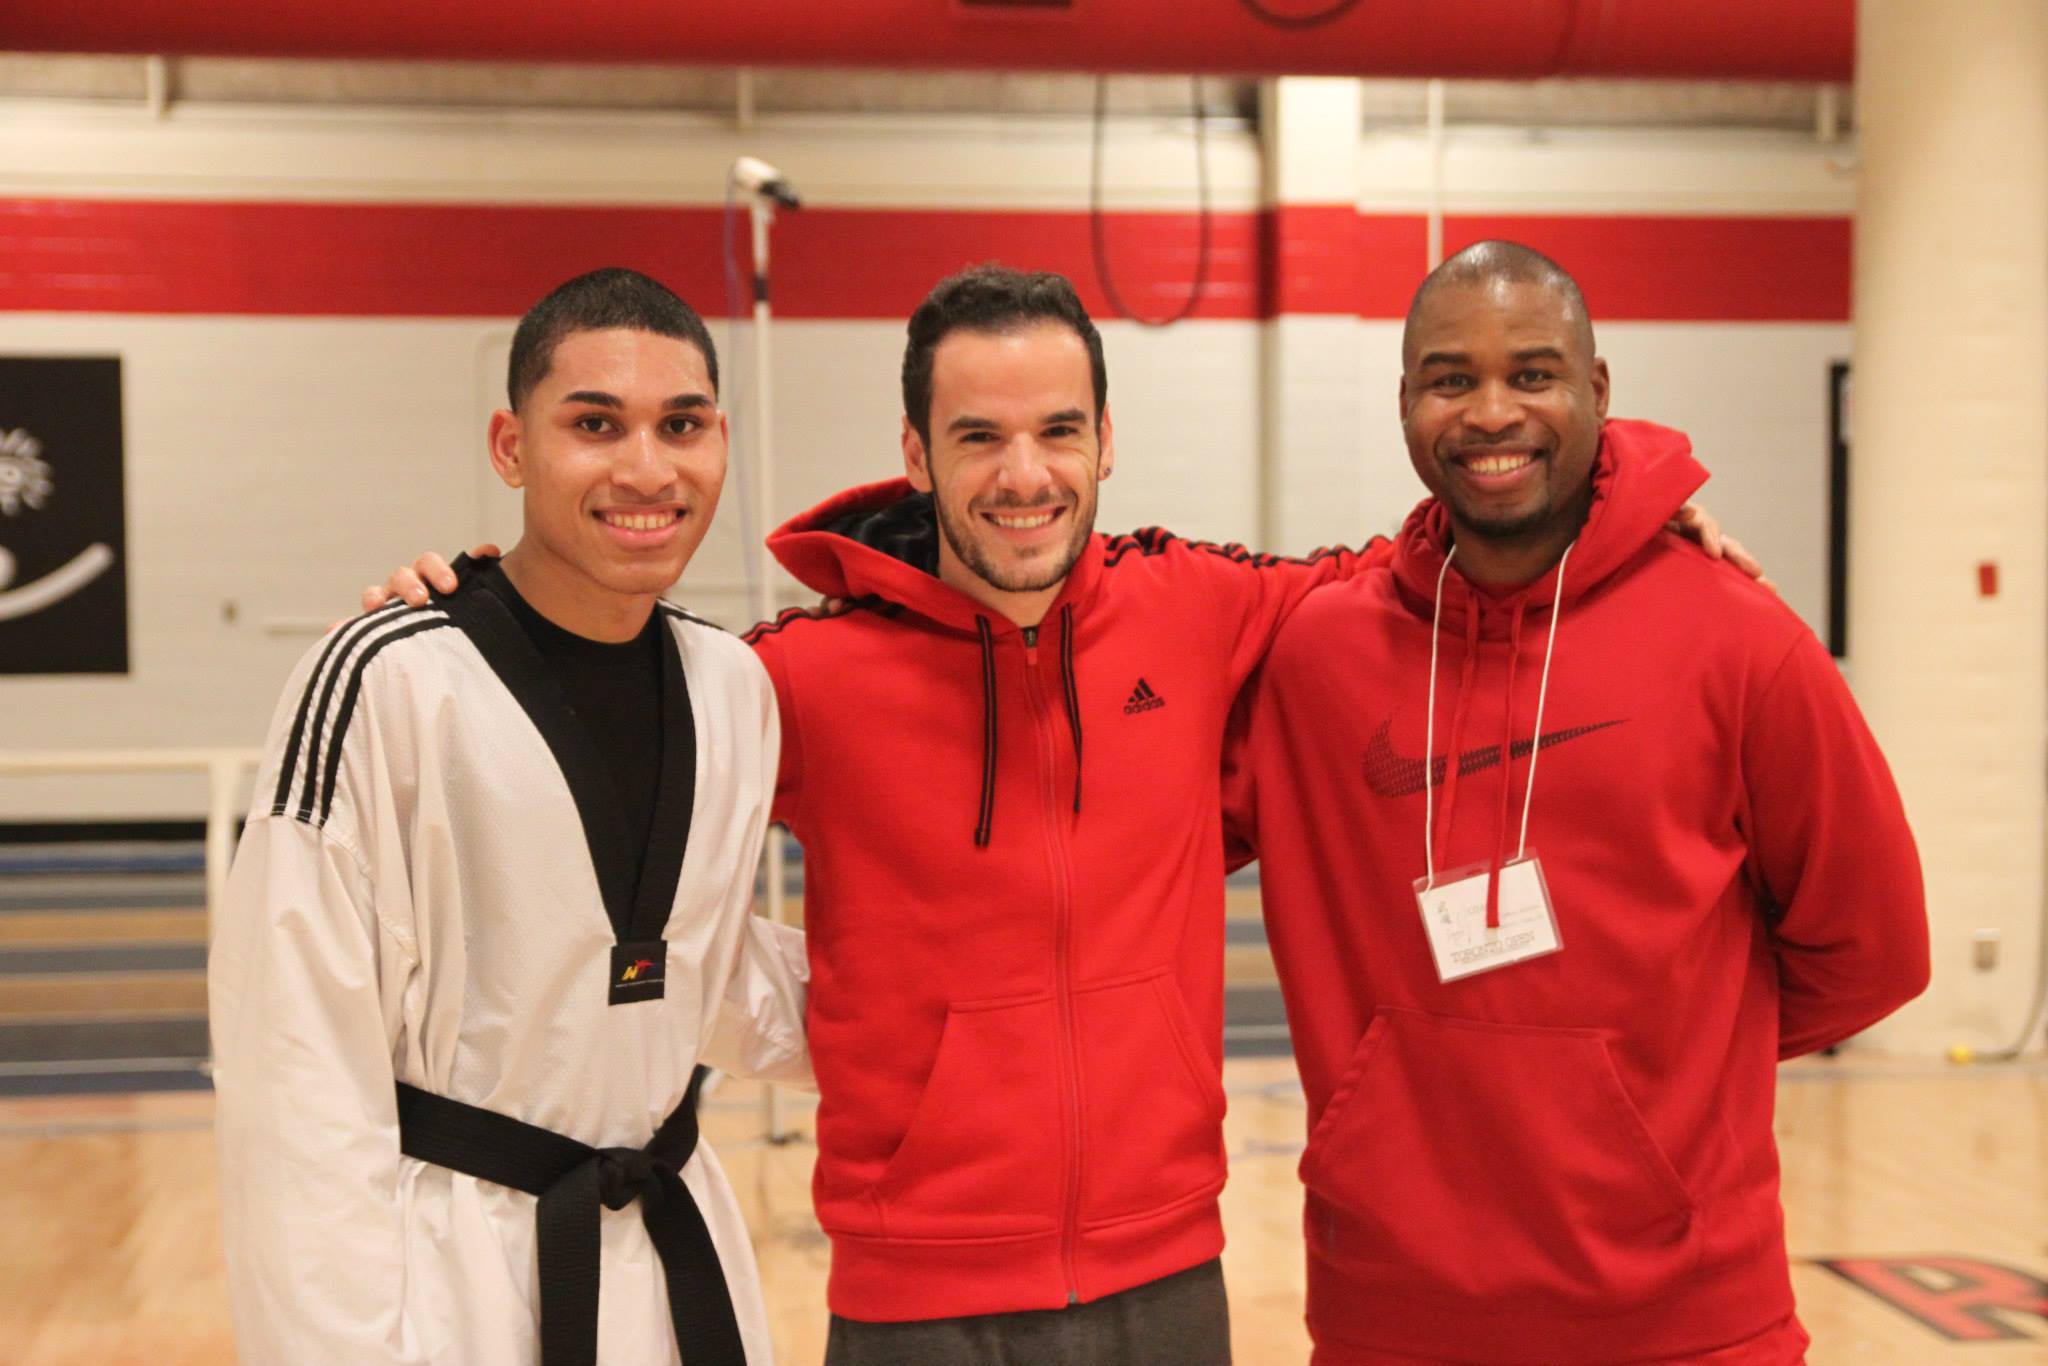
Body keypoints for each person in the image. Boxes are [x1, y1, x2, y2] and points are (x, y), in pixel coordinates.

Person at [370, 263, 1756, 1364]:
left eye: (1057, 431)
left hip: (1170, 1281)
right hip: (915, 1305)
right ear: (915, 449)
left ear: (1106, 442)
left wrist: (1628, 517)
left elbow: (1445, 553)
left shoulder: (1205, 608)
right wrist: (478, 606)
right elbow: (610, 691)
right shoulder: (796, 676)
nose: (1023, 475)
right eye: (979, 435)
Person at [1223, 241, 1929, 1364]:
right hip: (1391, 1318)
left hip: (1686, 1320)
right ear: (1404, 400)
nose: (1490, 412)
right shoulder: (1316, 654)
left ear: (1596, 391)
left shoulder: (1739, 641)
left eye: (1532, 373)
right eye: (1449, 378)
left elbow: (1874, 946)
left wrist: (1653, 1087)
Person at [211, 268, 810, 1366]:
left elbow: (692, 980)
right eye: (594, 424)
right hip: (450, 1274)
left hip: (674, 1253)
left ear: (720, 439)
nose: (645, 467)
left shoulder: (733, 686)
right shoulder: (385, 678)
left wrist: (974, 1005)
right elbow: (293, 1072)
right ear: (509, 445)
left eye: (681, 425)